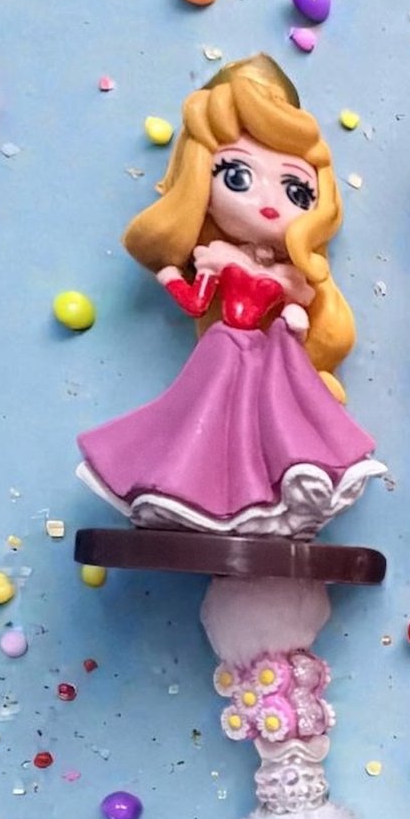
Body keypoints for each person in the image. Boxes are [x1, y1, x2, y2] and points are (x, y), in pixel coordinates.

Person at [77, 56, 380, 537]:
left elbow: (296, 307)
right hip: (225, 348)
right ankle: (208, 498)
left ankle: (271, 500)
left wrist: (296, 324)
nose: (267, 201)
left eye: (296, 191)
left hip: (271, 352)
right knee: (208, 421)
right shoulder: (218, 256)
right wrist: (175, 282)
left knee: (273, 424)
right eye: (238, 176)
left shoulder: (288, 276)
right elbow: (198, 304)